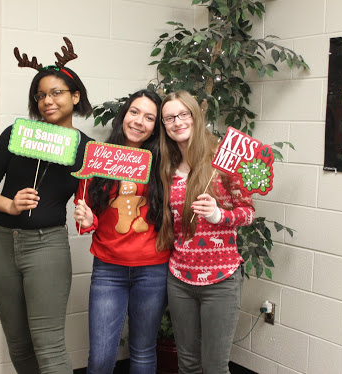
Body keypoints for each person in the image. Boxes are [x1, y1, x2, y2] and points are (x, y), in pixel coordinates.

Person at [0, 44, 93, 374]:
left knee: (48, 344)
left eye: (56, 93)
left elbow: (98, 203)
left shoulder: (88, 149)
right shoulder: (16, 135)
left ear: (75, 96)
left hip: (47, 247)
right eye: (40, 96)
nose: (47, 101)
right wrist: (9, 204)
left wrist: (89, 215)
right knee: (18, 341)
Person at [156, 90, 255, 374]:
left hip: (221, 280)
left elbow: (247, 213)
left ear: (195, 116)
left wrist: (218, 215)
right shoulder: (167, 166)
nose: (177, 122)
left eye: (183, 114)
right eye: (169, 118)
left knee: (214, 366)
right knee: (187, 364)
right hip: (180, 279)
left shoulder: (224, 160)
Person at [73, 89, 170, 374]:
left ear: (156, 126)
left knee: (142, 352)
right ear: (124, 115)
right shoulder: (100, 158)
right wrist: (86, 218)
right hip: (108, 268)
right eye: (134, 112)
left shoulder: (164, 162)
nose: (140, 121)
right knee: (101, 357)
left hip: (153, 269)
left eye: (149, 117)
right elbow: (85, 220)